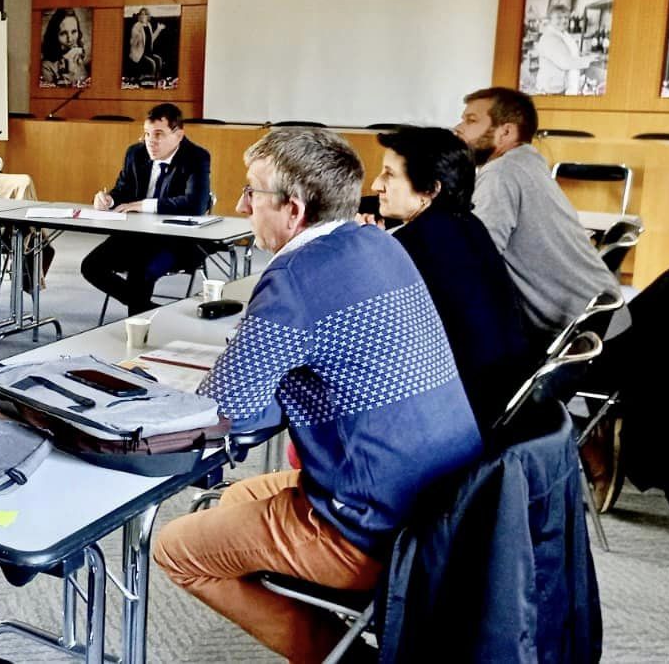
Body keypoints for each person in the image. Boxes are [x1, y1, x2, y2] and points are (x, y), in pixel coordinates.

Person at [152, 127, 482, 663]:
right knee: (236, 497)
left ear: (294, 210)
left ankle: (340, 657)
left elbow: (221, 410)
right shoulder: (377, 242)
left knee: (175, 549)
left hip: (371, 528)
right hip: (444, 504)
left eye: (252, 192)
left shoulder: (296, 278)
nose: (240, 205)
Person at [362, 127, 531, 432]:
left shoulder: (413, 245)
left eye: (389, 175)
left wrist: (363, 246)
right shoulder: (468, 224)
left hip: (456, 414)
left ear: (431, 189)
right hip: (502, 400)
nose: (376, 184)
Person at [454, 87, 619, 350]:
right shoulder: (527, 162)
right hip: (601, 317)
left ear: (506, 131)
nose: (458, 127)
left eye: (471, 120)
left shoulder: (501, 172)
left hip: (579, 334)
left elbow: (478, 259)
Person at [81, 103, 212, 317]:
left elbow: (195, 204)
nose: (151, 141)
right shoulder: (136, 153)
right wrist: (109, 199)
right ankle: (154, 313)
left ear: (179, 135)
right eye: (147, 134)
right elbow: (123, 190)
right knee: (91, 266)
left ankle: (139, 324)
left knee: (139, 271)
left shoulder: (196, 157)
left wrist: (142, 205)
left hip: (176, 241)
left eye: (159, 134)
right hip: (135, 236)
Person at [530, 0, 593, 95]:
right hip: (549, 90)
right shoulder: (550, 38)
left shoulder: (563, 34)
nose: (564, 21)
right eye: (559, 17)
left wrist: (581, 54)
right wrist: (589, 60)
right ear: (550, 20)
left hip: (558, 86)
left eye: (566, 17)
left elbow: (567, 52)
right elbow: (565, 62)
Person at [39, 8, 88, 88]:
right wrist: (69, 67)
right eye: (63, 33)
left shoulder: (78, 56)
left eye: (74, 31)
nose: (70, 39)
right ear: (54, 36)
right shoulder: (46, 67)